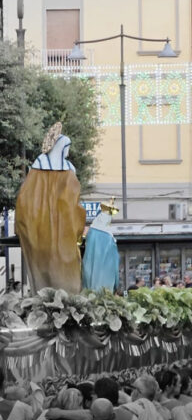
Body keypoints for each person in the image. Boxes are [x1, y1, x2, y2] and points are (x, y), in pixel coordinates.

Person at [15, 122, 86, 293]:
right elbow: (28, 199)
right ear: (61, 146)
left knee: (60, 267)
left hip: (59, 228)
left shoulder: (64, 168)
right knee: (50, 266)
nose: (68, 152)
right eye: (66, 147)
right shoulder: (44, 165)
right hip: (49, 228)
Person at [82, 197, 120, 292]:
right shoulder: (109, 238)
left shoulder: (91, 233)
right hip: (106, 279)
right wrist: (116, 282)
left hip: (88, 277)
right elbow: (114, 262)